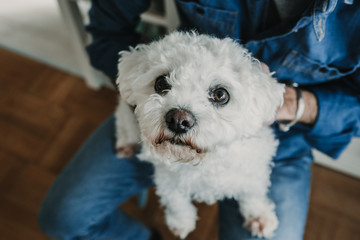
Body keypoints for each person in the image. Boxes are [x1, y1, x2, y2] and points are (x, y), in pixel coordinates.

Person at [38, 0, 360, 239]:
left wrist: (295, 105)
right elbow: (107, 35)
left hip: (287, 127)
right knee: (61, 218)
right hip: (153, 119)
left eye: (218, 95)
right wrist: (149, 85)